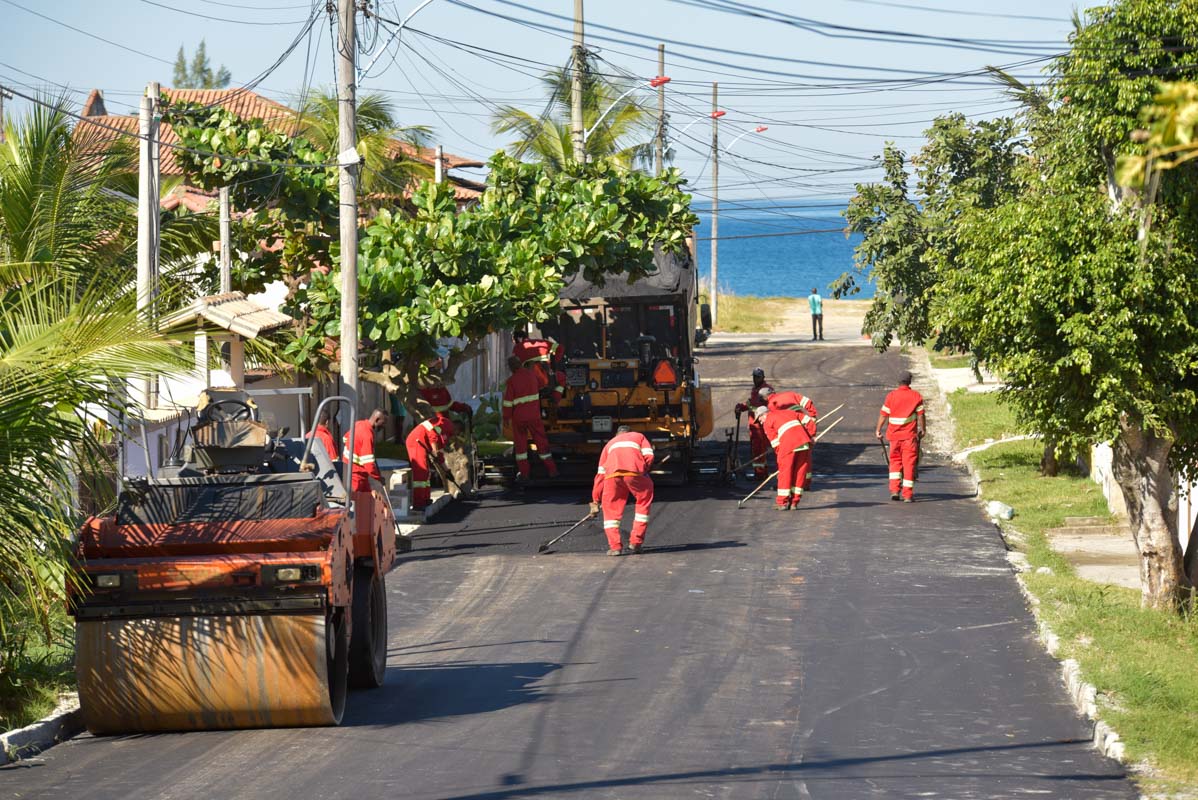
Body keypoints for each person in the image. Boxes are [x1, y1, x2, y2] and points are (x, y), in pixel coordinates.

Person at [589, 425, 655, 556]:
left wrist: (595, 500)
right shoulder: (639, 436)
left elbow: (600, 475)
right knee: (643, 504)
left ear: (616, 435)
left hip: (612, 477)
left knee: (610, 511)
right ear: (629, 432)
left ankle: (615, 547)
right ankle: (636, 543)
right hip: (635, 474)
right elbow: (649, 455)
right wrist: (644, 469)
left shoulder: (609, 444)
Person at [502, 355, 559, 480]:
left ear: (511, 368)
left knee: (521, 446)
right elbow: (543, 383)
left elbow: (507, 403)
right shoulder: (532, 375)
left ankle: (524, 473)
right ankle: (552, 469)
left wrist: (506, 418)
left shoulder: (511, 381)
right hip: (534, 416)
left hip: (519, 418)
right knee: (541, 442)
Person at [875, 370, 926, 502]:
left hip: (894, 437)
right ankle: (907, 495)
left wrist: (878, 430)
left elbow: (883, 414)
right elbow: (921, 415)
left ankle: (894, 491)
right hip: (909, 437)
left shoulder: (891, 396)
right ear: (910, 382)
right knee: (909, 464)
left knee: (894, 463)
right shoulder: (916, 396)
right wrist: (923, 429)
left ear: (898, 382)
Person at [758, 404, 813, 510]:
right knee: (799, 473)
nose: (760, 422)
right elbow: (808, 420)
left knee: (785, 474)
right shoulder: (788, 412)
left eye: (760, 419)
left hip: (788, 446)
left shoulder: (767, 422)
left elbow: (776, 444)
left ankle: (782, 503)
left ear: (764, 414)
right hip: (803, 444)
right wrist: (811, 435)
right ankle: (794, 502)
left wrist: (780, 460)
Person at [767, 389, 818, 490]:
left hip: (789, 434)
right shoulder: (790, 394)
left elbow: (777, 424)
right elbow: (807, 402)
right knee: (804, 458)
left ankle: (785, 484)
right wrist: (813, 418)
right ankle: (805, 483)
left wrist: (780, 451)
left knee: (787, 463)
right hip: (802, 426)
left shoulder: (771, 405)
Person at [405, 411, 455, 510]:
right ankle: (418, 503)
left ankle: (425, 499)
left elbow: (439, 455)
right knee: (421, 472)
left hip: (422, 444)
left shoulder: (445, 431)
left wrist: (447, 471)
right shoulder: (440, 425)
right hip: (416, 443)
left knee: (427, 473)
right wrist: (435, 451)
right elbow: (433, 437)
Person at [734, 368, 774, 479]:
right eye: (754, 377)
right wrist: (741, 406)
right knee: (756, 450)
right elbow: (751, 403)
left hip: (761, 425)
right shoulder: (755, 389)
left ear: (762, 377)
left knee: (759, 449)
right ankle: (760, 472)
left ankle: (760, 474)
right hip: (754, 425)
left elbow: (761, 404)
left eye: (757, 377)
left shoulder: (766, 390)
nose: (755, 379)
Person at [342, 408, 387, 493]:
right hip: (356, 478)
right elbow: (369, 464)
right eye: (383, 423)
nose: (384, 426)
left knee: (368, 499)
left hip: (350, 472)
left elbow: (345, 438)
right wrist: (379, 478)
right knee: (357, 502)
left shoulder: (358, 424)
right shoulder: (367, 435)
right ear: (377, 420)